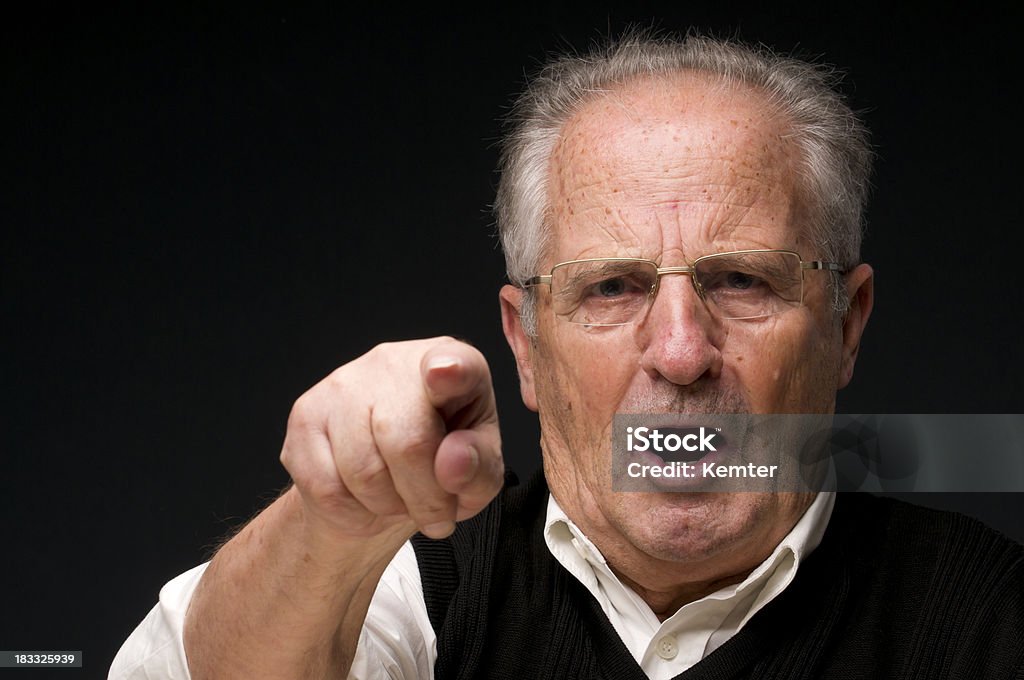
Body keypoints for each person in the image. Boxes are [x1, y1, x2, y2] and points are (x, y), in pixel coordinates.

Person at [110, 32, 1024, 679]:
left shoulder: (990, 621)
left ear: (846, 322)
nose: (679, 353)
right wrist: (335, 521)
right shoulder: (426, 592)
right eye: (611, 288)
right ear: (528, 348)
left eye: (743, 280)